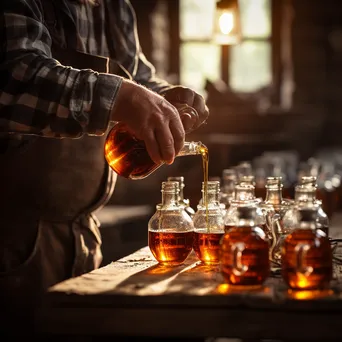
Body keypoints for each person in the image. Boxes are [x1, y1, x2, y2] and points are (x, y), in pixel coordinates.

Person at [0, 0, 209, 331]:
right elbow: (14, 76)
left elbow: (137, 79)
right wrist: (122, 98)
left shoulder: (115, 7)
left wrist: (166, 98)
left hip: (83, 233)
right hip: (10, 241)